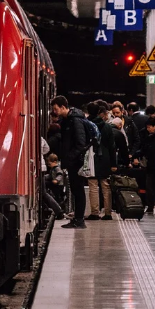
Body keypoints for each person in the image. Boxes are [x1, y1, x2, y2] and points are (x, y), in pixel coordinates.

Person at [51, 95, 87, 228]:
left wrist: (70, 158)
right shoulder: (67, 120)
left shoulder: (75, 120)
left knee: (78, 190)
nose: (55, 112)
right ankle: (77, 219)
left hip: (76, 162)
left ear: (63, 107)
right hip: (73, 161)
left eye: (56, 109)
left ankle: (79, 220)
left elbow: (80, 143)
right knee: (76, 190)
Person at [86, 103, 116, 221]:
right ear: (99, 112)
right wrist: (113, 164)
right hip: (105, 159)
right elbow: (112, 146)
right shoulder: (107, 127)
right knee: (105, 186)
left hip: (90, 158)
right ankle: (108, 213)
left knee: (93, 186)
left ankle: (94, 212)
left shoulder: (85, 124)